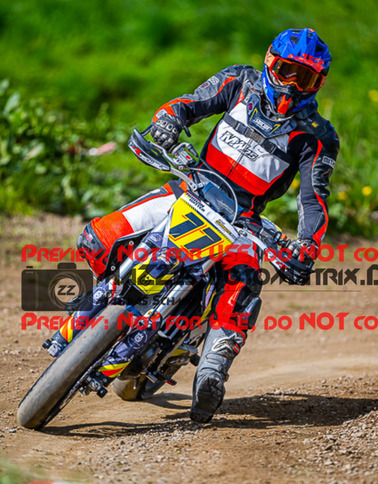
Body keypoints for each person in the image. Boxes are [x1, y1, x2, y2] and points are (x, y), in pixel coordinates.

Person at [77, 27, 340, 423]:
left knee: (242, 288)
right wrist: (167, 122)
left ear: (318, 83)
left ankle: (212, 371)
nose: (291, 84)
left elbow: (313, 198)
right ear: (270, 62)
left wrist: (306, 245)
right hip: (190, 187)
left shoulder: (319, 136)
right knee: (96, 238)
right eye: (286, 70)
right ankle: (109, 302)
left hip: (243, 222)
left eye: (304, 78)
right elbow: (188, 104)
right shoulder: (239, 81)